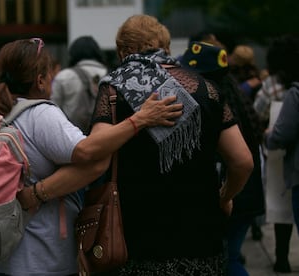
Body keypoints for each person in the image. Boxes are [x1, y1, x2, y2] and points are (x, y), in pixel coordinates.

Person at [0, 38, 183, 275]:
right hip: (39, 258)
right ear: (41, 80)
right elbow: (90, 153)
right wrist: (141, 119)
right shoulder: (40, 114)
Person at [74, 15, 251, 275]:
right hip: (201, 233)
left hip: (139, 232)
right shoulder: (207, 88)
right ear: (166, 47)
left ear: (124, 51)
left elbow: (93, 148)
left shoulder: (114, 90)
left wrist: (138, 121)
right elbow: (243, 161)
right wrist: (225, 196)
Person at [181, 41, 265, 276]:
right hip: (249, 196)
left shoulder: (215, 105)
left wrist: (225, 195)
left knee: (228, 260)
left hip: (232, 198)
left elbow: (239, 161)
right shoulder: (237, 96)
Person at [264, 34, 299, 273]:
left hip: (293, 168)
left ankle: (282, 258)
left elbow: (282, 134)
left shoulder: (293, 93)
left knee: (282, 212)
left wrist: (268, 135)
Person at [51, 35, 107, 134]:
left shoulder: (64, 76)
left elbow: (53, 110)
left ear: (73, 53)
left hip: (71, 138)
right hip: (103, 137)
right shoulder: (110, 75)